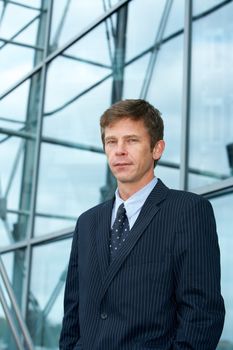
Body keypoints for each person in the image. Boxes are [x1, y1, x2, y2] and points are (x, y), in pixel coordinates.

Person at [59, 99, 225, 350]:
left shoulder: (188, 212)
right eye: (111, 141)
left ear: (157, 149)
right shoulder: (87, 223)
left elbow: (202, 316)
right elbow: (72, 316)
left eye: (132, 140)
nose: (119, 150)